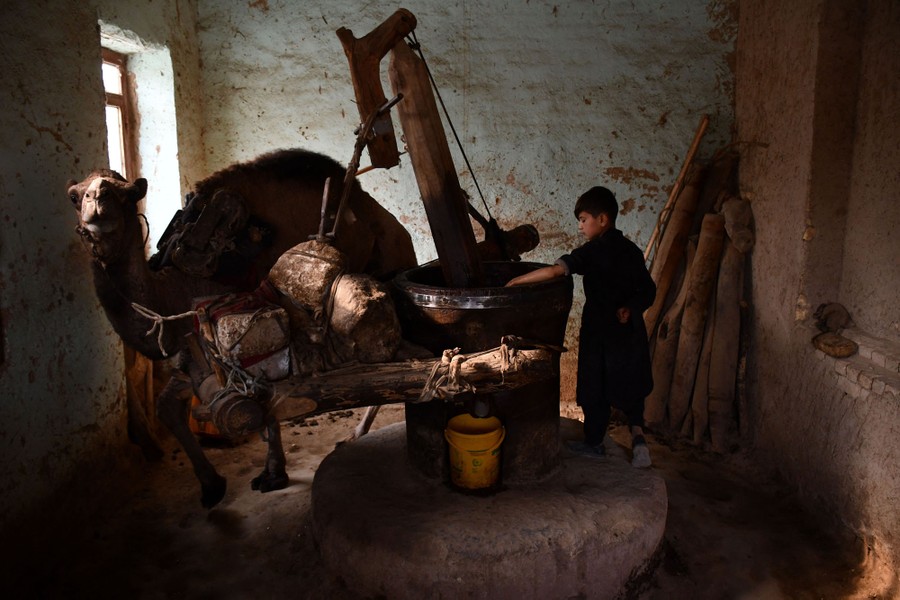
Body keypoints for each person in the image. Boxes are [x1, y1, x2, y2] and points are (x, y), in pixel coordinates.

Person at [506, 186, 655, 468]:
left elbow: (556, 270)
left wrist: (516, 282)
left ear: (603, 219)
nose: (580, 226)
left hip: (599, 330)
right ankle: (639, 442)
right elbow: (648, 290)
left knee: (594, 385)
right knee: (630, 383)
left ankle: (594, 442)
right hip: (627, 330)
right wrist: (631, 307)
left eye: (584, 219)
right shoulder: (632, 251)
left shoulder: (594, 251)